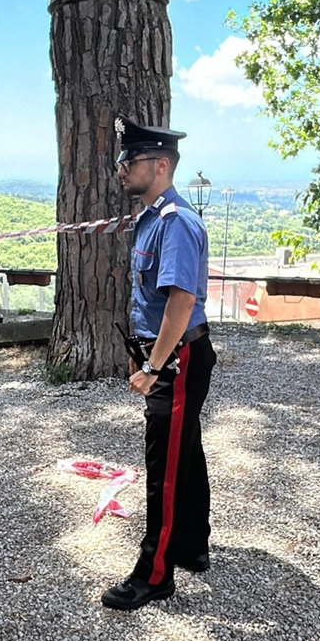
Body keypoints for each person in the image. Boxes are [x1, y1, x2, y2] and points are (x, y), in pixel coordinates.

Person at [100, 114, 217, 612]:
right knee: (183, 449)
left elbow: (180, 303)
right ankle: (191, 545)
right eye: (122, 160)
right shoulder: (152, 217)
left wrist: (153, 366)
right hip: (174, 354)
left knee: (163, 467)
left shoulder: (177, 222)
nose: (121, 168)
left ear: (161, 165)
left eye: (131, 160)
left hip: (177, 356)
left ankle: (154, 574)